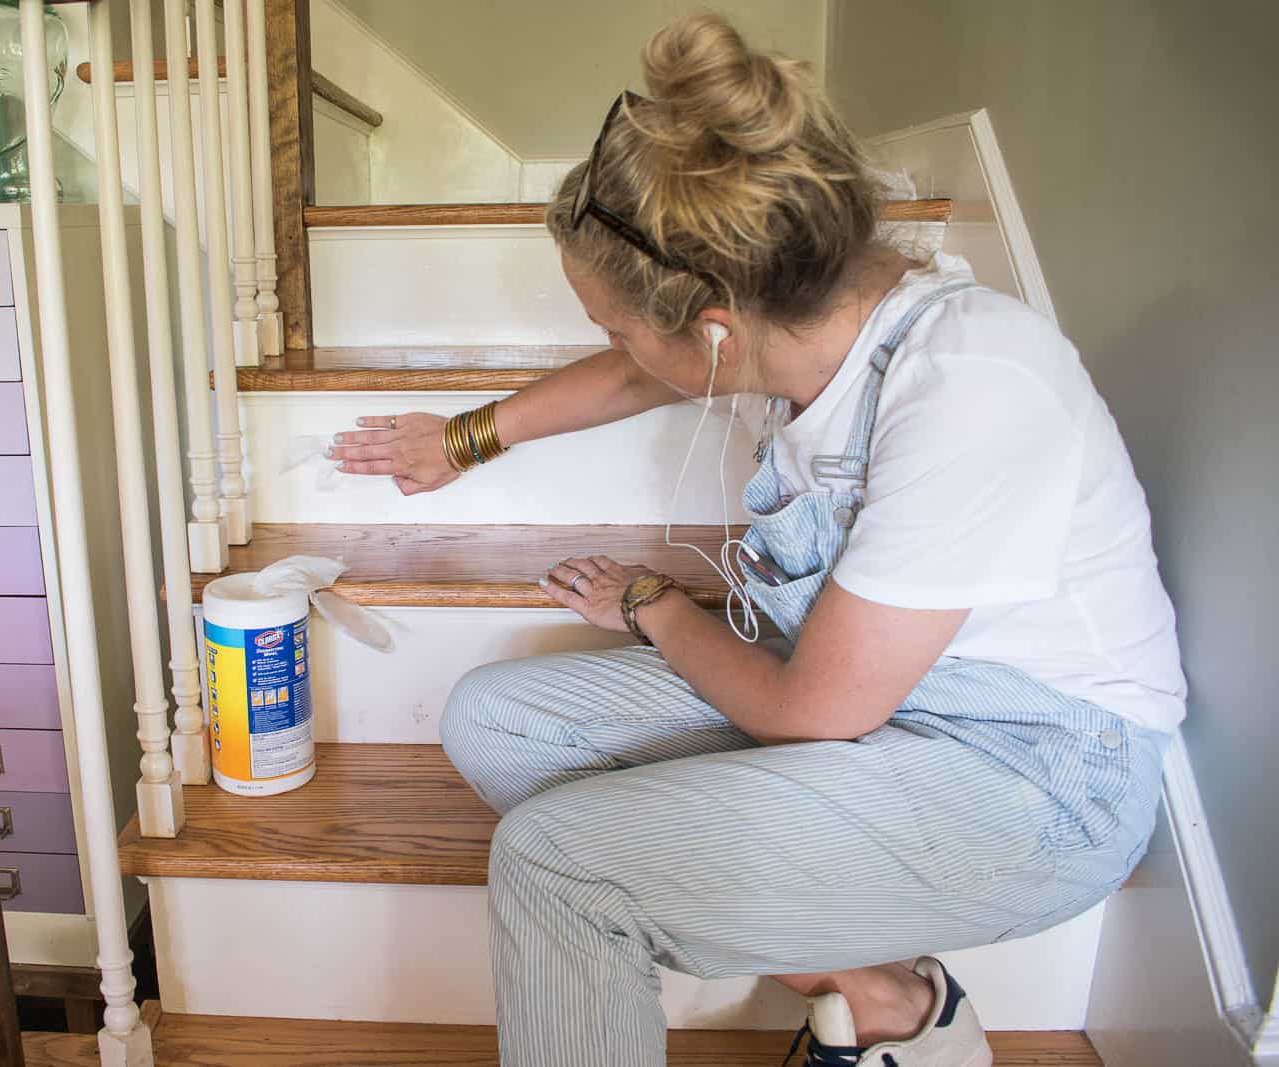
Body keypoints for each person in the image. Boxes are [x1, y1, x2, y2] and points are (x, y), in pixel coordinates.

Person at [325, 13, 1185, 1067]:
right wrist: (464, 438)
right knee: (496, 718)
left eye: (612, 321)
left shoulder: (969, 386)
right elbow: (649, 366)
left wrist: (655, 605)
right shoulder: (798, 325)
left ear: (714, 327)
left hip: (1032, 777)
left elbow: (812, 708)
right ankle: (884, 997)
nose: (614, 344)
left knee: (555, 863)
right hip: (886, 708)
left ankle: (759, 945)